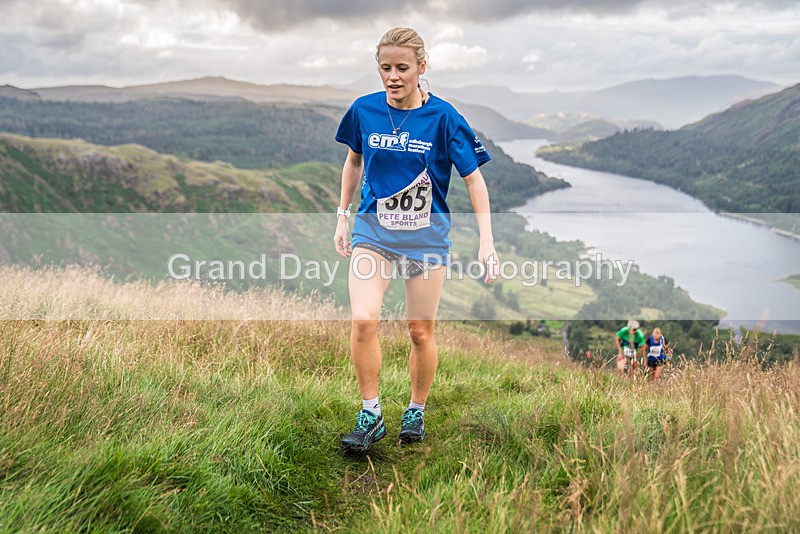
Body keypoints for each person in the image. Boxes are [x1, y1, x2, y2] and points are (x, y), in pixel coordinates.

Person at [333, 27, 498, 453]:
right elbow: (353, 162)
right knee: (363, 319)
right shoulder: (363, 111)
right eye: (385, 68)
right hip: (373, 233)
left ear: (421, 68)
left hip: (426, 240)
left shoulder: (444, 117)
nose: (392, 76)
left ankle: (416, 410)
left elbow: (474, 180)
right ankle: (370, 414)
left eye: (402, 68)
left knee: (420, 332)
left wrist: (487, 242)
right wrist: (342, 216)